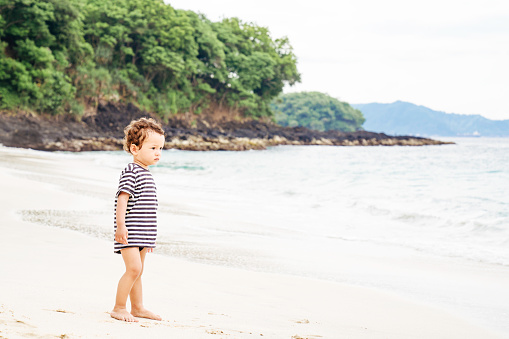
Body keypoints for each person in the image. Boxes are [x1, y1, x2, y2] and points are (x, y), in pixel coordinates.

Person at [110, 117, 165, 322]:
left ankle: (138, 307)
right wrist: (121, 227)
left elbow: (148, 209)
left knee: (138, 272)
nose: (158, 152)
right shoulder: (131, 171)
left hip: (142, 234)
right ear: (135, 149)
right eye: (153, 148)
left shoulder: (146, 173)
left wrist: (149, 237)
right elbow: (122, 199)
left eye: (160, 148)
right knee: (133, 269)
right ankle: (118, 307)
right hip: (129, 232)